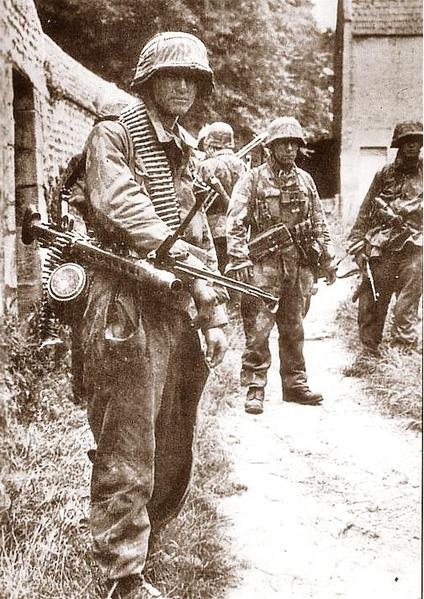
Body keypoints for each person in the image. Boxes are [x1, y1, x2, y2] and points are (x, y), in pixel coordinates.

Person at [80, 32, 228, 598]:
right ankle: (123, 575)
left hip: (175, 307)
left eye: (193, 78)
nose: (184, 86)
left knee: (174, 438)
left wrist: (211, 312)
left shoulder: (185, 150)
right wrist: (176, 249)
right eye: (173, 76)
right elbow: (120, 204)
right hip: (126, 301)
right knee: (128, 440)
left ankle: (146, 537)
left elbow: (197, 231)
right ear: (148, 81)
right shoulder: (116, 133)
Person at [226, 116, 336, 415]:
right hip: (264, 265)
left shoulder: (305, 181)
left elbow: (318, 222)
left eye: (294, 144)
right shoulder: (253, 179)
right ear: (270, 147)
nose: (289, 149)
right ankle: (255, 387)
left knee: (295, 327)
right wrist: (239, 259)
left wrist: (327, 258)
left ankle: (295, 384)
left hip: (298, 265)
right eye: (282, 144)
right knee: (258, 329)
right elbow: (235, 223)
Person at [347, 120, 422, 359]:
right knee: (372, 301)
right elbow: (366, 208)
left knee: (407, 305)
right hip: (383, 247)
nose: (412, 146)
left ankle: (402, 353)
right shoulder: (384, 174)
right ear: (398, 145)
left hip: (415, 246)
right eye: (406, 141)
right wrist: (358, 244)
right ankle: (369, 353)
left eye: (416, 141)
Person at [197, 122, 247, 272]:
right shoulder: (241, 164)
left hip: (211, 230)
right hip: (237, 230)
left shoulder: (206, 165)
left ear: (209, 142)